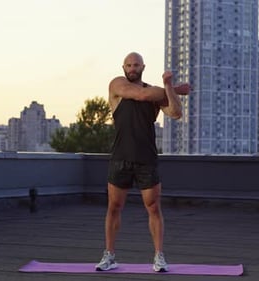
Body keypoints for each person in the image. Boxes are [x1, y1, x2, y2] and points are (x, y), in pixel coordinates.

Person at [95, 52, 189, 272]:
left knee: (154, 208)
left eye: (136, 64)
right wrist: (174, 89)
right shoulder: (117, 85)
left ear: (143, 67)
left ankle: (159, 256)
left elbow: (176, 113)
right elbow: (141, 95)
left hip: (146, 159)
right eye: (128, 65)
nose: (132, 68)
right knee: (114, 207)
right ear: (123, 67)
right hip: (120, 158)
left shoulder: (157, 92)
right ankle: (109, 255)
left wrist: (167, 85)